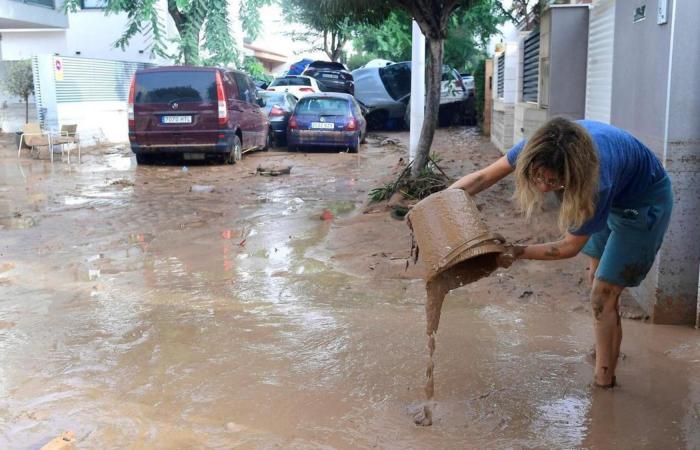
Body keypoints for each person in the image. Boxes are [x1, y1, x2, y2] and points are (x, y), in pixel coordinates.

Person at [450, 117, 673, 388]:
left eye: (553, 181)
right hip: (616, 190)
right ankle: (605, 348)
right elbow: (483, 177)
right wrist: (437, 204)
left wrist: (513, 251)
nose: (543, 188)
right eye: (538, 177)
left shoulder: (595, 184)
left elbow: (568, 247)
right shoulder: (539, 148)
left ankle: (604, 381)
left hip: (644, 202)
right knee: (595, 277)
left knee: (603, 294)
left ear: (572, 174)